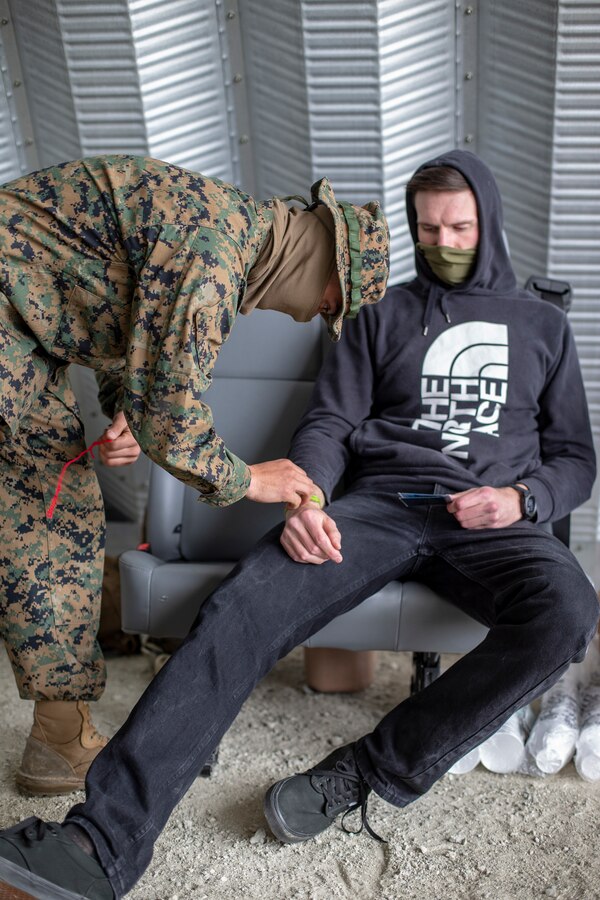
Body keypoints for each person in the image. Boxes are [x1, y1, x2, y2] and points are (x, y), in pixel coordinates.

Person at [0, 148, 597, 900]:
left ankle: (363, 772)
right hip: (375, 507)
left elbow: (576, 457)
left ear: (490, 222)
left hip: (490, 516)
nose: (444, 243)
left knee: (571, 611)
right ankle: (98, 845)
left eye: (460, 227)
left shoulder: (543, 324)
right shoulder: (378, 313)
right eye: (429, 229)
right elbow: (329, 422)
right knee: (243, 606)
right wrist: (307, 498)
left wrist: (524, 499)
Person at [0, 155, 389, 797]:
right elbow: (173, 420)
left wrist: (124, 402)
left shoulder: (222, 230)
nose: (312, 315)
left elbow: (108, 296)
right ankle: (57, 741)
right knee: (47, 518)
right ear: (318, 261)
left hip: (24, 321)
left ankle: (57, 740)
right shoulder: (211, 258)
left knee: (55, 510)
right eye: (329, 302)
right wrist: (251, 481)